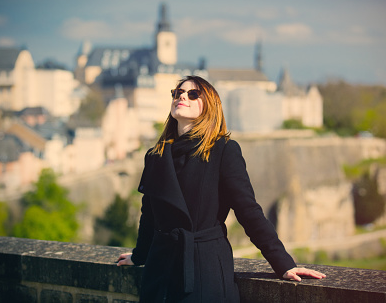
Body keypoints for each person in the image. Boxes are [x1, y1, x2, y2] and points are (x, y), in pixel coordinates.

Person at [117, 76, 325, 302]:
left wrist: (282, 263)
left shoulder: (223, 150)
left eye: (193, 94)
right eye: (177, 93)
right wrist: (140, 255)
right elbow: (149, 215)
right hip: (160, 269)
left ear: (209, 105)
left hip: (204, 267)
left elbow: (248, 211)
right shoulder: (156, 156)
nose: (182, 97)